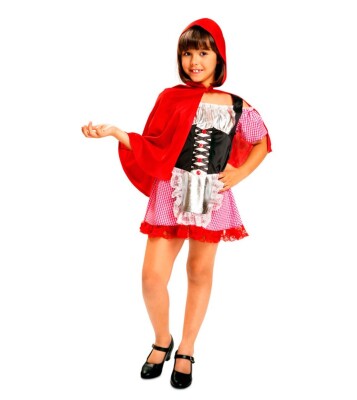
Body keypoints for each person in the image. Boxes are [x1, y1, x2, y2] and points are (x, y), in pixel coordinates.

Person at [81, 17, 272, 389]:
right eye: (187, 54)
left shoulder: (237, 105)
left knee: (199, 272)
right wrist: (116, 133)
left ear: (219, 58)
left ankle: (186, 348)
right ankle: (162, 339)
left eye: (203, 53)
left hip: (212, 197)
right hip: (170, 192)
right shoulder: (170, 98)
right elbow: (153, 145)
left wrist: (239, 174)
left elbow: (262, 142)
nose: (194, 61)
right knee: (152, 277)